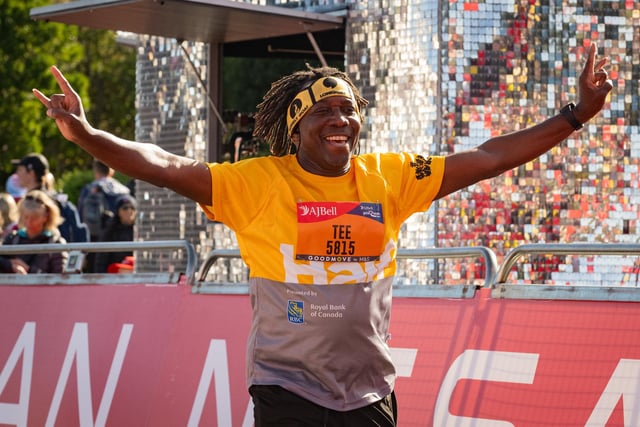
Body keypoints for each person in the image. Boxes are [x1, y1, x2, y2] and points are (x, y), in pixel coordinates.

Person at [33, 42, 612, 425]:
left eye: (349, 110)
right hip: (288, 391)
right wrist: (86, 136)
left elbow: (486, 156)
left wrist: (576, 114)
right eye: (324, 112)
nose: (341, 120)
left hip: (370, 392)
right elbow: (160, 162)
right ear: (297, 127)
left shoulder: (389, 176)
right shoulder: (257, 183)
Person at [13, 152, 89, 244]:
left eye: (20, 170)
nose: (17, 174)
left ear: (31, 173)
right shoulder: (55, 199)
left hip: (45, 254)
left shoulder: (35, 202)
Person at [78, 158, 131, 271]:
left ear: (95, 170)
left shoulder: (89, 190)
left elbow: (80, 216)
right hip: (118, 242)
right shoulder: (124, 190)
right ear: (111, 170)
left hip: (93, 241)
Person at [0, 190, 68, 274]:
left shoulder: (56, 243)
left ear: (46, 216)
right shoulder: (12, 239)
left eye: (34, 218)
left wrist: (28, 270)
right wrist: (10, 265)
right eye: (25, 217)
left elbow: (61, 278)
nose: (28, 222)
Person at [94, 194, 137, 273]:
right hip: (117, 274)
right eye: (125, 208)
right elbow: (102, 258)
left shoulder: (141, 230)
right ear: (118, 211)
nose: (129, 211)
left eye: (132, 208)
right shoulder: (110, 230)